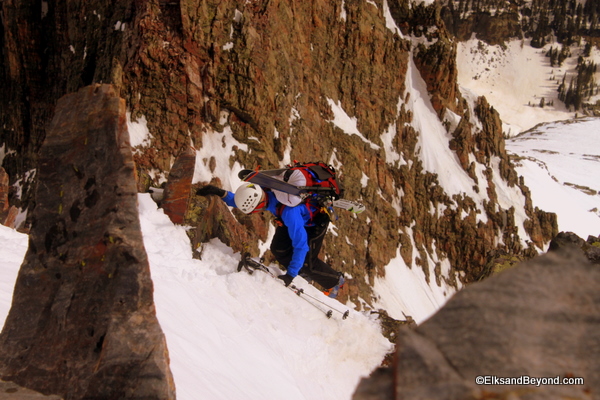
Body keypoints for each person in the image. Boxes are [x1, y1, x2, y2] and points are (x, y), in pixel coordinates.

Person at [196, 179, 345, 298]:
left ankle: (335, 281)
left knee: (308, 261)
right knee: (278, 249)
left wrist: (290, 275)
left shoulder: (289, 213)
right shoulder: (264, 191)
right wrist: (220, 193)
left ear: (259, 205)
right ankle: (301, 270)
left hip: (314, 223)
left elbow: (301, 246)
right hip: (294, 218)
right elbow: (243, 200)